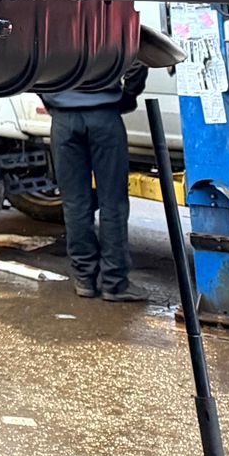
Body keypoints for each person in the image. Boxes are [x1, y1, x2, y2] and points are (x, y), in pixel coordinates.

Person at [44, 59, 149, 303]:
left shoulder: (52, 24)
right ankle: (115, 283)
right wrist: (127, 96)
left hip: (63, 121)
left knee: (75, 203)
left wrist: (53, 100)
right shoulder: (107, 21)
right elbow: (137, 62)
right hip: (105, 116)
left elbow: (37, 68)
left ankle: (84, 279)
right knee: (113, 203)